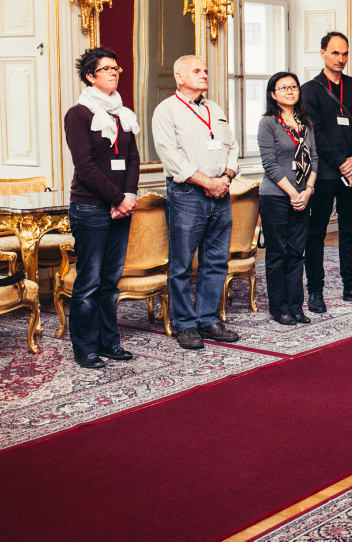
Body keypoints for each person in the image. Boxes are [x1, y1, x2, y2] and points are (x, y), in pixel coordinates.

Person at [151, 55, 241, 350]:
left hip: (221, 191)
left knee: (215, 260)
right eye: (197, 71)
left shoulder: (214, 108)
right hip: (188, 194)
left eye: (205, 70)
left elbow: (231, 145)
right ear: (179, 77)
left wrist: (226, 177)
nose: (204, 74)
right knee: (181, 264)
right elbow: (171, 156)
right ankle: (185, 324)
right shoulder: (166, 111)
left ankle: (208, 319)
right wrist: (208, 182)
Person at [63, 48, 141, 369]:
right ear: (90, 76)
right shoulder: (78, 114)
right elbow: (85, 166)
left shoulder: (123, 113)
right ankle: (84, 348)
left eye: (115, 67)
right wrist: (119, 199)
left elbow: (133, 159)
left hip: (119, 206)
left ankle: (109, 342)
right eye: (106, 69)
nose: (114, 72)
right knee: (89, 282)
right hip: (90, 208)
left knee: (111, 282)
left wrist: (130, 194)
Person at [301, 32, 352, 308]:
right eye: (335, 53)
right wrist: (341, 163)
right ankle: (315, 290)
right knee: (317, 232)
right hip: (324, 172)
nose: (341, 59)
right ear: (322, 53)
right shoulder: (310, 89)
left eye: (345, 53)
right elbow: (317, 133)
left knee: (351, 231)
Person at [258, 72, 318, 325]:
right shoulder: (268, 123)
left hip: (303, 196)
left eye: (293, 86)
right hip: (276, 197)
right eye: (283, 88)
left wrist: (309, 190)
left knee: (296, 253)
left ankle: (296, 306)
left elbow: (314, 158)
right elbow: (270, 164)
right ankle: (279, 308)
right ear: (273, 94)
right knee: (277, 254)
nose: (290, 91)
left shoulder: (306, 123)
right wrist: (294, 193)